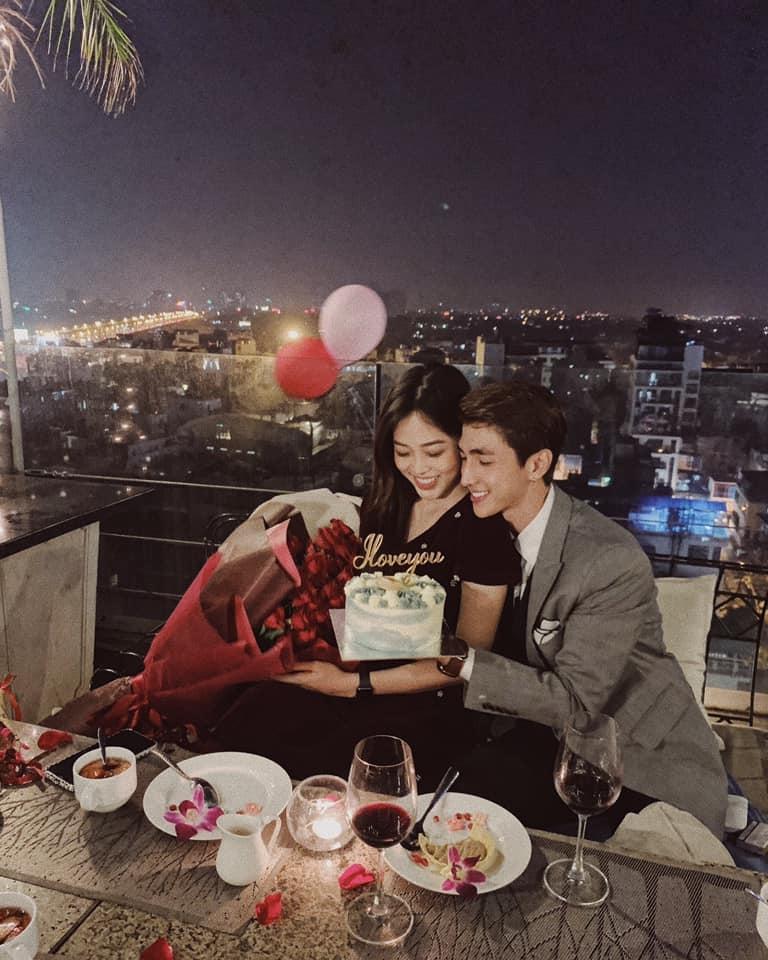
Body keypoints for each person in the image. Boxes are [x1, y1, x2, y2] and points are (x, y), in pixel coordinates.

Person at [437, 380, 727, 837]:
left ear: (537, 464)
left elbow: (576, 703)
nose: (466, 476)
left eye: (483, 460)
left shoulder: (608, 559)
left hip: (633, 757)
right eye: (463, 456)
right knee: (451, 804)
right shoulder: (487, 526)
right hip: (540, 735)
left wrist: (458, 658)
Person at [215, 364, 519, 784]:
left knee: (322, 768)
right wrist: (297, 632)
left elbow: (464, 663)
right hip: (354, 671)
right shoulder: (386, 503)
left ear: (462, 444)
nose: (419, 468)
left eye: (434, 452)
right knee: (244, 718)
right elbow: (365, 608)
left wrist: (350, 684)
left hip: (423, 702)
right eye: (403, 452)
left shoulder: (482, 528)